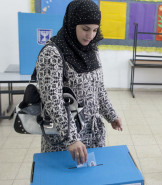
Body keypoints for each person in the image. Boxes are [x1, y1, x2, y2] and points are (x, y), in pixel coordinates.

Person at [36, 0, 122, 165]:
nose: (90, 36)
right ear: (72, 23)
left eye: (95, 30)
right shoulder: (52, 53)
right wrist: (71, 138)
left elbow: (98, 88)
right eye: (85, 29)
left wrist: (111, 114)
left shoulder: (92, 50)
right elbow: (52, 100)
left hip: (92, 133)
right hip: (65, 139)